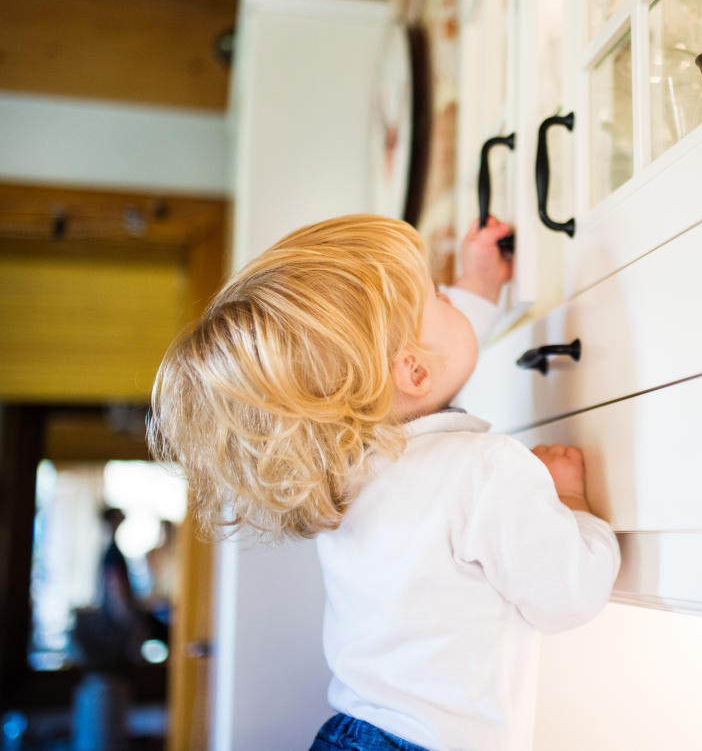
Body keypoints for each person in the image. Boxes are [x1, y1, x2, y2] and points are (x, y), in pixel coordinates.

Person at [147, 215, 620, 751]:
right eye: (441, 296)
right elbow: (570, 594)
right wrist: (573, 503)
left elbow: (421, 360)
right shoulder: (486, 470)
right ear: (413, 371)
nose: (449, 296)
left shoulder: (345, 473)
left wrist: (479, 287)